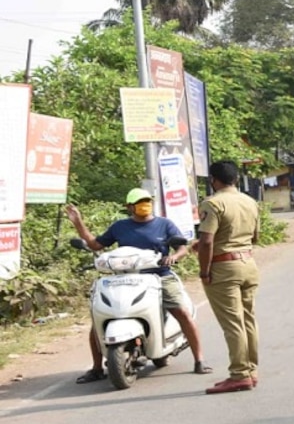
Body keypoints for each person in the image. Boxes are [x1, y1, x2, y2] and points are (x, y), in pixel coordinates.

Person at [65, 188, 212, 383]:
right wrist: (78, 222)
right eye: (140, 202)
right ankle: (97, 368)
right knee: (99, 319)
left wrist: (173, 257)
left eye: (147, 201)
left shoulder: (164, 224)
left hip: (159, 276)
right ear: (129, 207)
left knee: (181, 311)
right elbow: (95, 245)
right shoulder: (120, 227)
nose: (145, 205)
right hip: (124, 278)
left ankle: (199, 359)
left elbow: (182, 248)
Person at [195, 160, 262, 394]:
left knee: (233, 323)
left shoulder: (212, 203)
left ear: (214, 180)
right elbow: (254, 237)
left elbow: (206, 241)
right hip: (248, 263)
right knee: (248, 319)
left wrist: (204, 272)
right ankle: (251, 370)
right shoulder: (250, 202)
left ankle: (239, 374)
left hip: (224, 268)